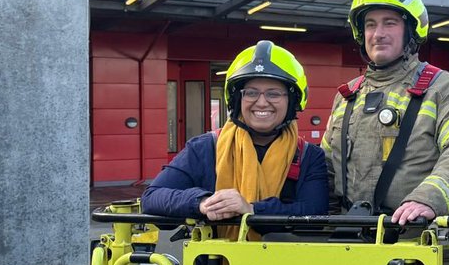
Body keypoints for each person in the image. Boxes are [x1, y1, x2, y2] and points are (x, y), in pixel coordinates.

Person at [322, 0, 449, 224]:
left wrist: (427, 199)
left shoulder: (444, 89)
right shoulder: (347, 96)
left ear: (410, 30)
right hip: (349, 241)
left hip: (418, 242)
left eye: (390, 23)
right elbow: (327, 168)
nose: (378, 34)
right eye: (370, 24)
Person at [141, 41, 330, 220]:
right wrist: (204, 203)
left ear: (292, 101)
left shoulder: (309, 157)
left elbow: (314, 210)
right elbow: (152, 197)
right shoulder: (205, 147)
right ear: (237, 100)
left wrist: (251, 209)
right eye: (251, 93)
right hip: (217, 255)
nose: (262, 102)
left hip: (285, 255)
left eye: (273, 93)